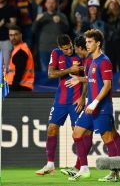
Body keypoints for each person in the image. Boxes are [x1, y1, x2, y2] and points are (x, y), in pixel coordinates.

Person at [64, 29, 120, 181]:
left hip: (101, 107)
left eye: (90, 42)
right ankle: (84, 169)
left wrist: (95, 102)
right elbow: (93, 79)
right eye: (86, 42)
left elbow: (107, 85)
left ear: (98, 43)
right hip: (91, 107)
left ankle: (115, 173)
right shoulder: (91, 60)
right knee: (77, 133)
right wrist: (80, 80)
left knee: (108, 139)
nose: (87, 44)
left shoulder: (104, 61)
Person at [35, 34, 85, 176]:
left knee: (78, 133)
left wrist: (82, 97)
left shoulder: (81, 52)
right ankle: (50, 164)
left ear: (72, 43)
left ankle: (79, 166)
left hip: (76, 100)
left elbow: (88, 77)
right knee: (51, 128)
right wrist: (70, 70)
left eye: (70, 47)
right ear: (59, 48)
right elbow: (51, 74)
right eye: (65, 49)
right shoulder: (56, 53)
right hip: (61, 100)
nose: (69, 51)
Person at [60, 35, 93, 177]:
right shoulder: (88, 59)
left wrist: (82, 97)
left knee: (109, 136)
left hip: (96, 102)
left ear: (80, 48)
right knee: (82, 133)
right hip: (92, 101)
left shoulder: (93, 59)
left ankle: (119, 168)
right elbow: (89, 80)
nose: (76, 53)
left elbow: (95, 81)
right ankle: (81, 167)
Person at [7, 25, 34, 91]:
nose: (13, 37)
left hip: (20, 88)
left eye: (15, 34)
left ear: (21, 35)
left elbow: (19, 72)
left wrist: (13, 89)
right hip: (21, 86)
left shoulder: (21, 51)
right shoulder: (19, 49)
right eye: (11, 35)